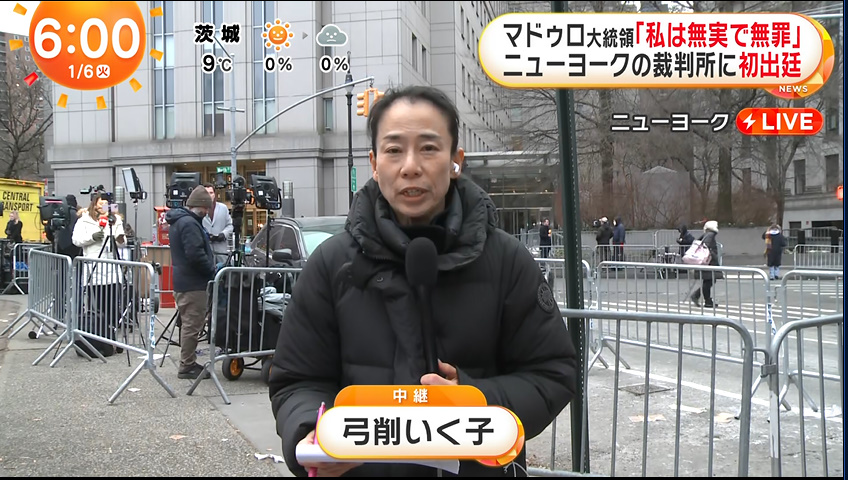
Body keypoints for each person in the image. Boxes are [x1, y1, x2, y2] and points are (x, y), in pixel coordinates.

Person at [269, 86, 578, 477]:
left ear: (455, 161)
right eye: (394, 150)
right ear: (374, 163)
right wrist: (312, 435)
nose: (410, 166)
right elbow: (297, 381)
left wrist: (475, 399)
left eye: (429, 148)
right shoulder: (332, 264)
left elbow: (552, 372)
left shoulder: (506, 260)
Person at [166, 186, 218, 380]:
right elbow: (195, 255)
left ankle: (187, 362)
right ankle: (187, 365)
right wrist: (211, 270)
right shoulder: (189, 224)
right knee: (192, 324)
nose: (207, 211)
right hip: (193, 283)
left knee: (189, 323)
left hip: (184, 281)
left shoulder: (180, 221)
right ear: (200, 206)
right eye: (206, 207)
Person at [72, 193, 128, 357]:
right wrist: (92, 237)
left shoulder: (115, 220)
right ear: (94, 204)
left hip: (111, 269)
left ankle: (112, 339)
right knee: (97, 308)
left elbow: (122, 243)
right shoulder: (84, 220)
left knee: (113, 308)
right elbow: (76, 240)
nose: (103, 205)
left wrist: (119, 239)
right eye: (100, 202)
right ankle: (99, 339)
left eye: (106, 203)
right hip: (94, 270)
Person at [690, 220, 720, 308]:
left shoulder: (706, 234)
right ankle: (706, 300)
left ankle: (699, 296)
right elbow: (707, 247)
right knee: (709, 280)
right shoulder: (710, 235)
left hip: (705, 262)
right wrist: (713, 256)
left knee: (709, 280)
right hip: (708, 262)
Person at [202, 183, 234, 264]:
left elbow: (230, 225)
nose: (209, 195)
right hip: (206, 251)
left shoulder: (223, 208)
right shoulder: (199, 209)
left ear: (215, 194)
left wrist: (223, 234)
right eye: (206, 193)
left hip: (222, 251)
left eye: (211, 193)